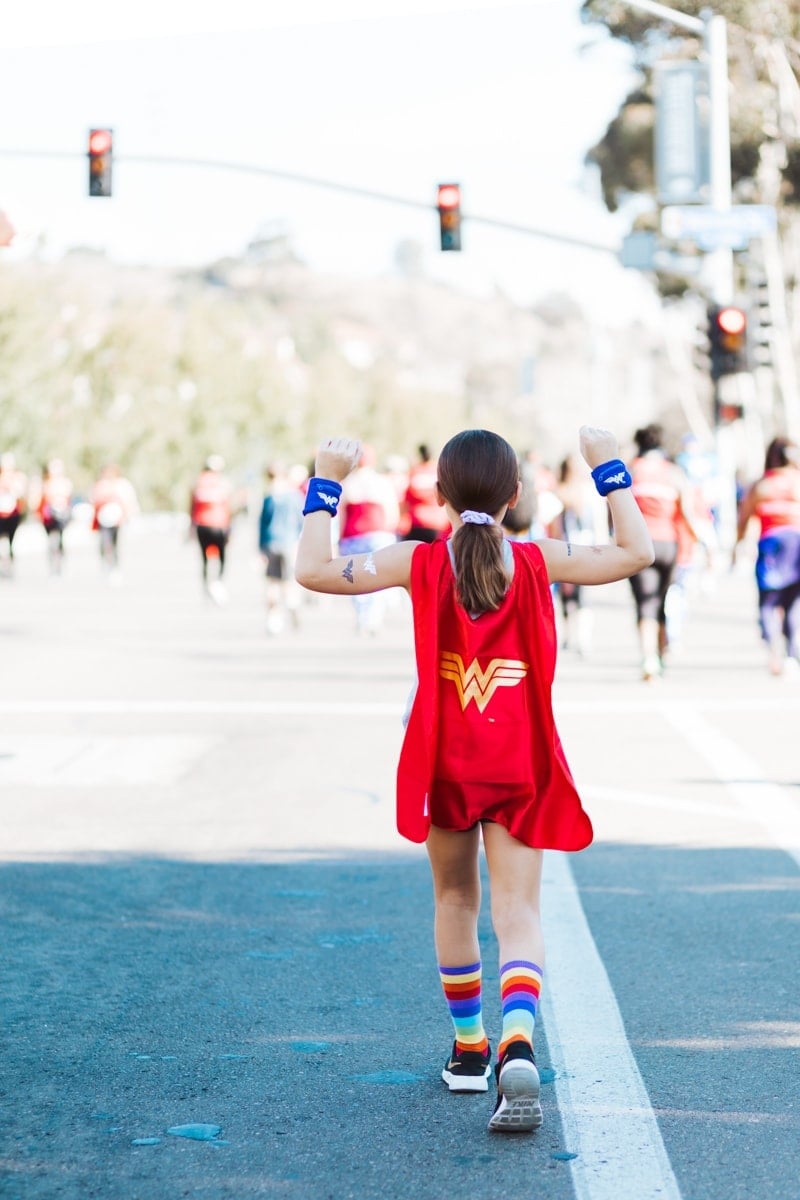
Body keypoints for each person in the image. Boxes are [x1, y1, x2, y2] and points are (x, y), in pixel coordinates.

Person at [295, 425, 653, 1134]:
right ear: (517, 495)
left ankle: (469, 1052)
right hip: (517, 759)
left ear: (438, 495)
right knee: (518, 913)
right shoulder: (537, 557)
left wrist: (326, 481)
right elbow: (637, 551)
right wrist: (608, 468)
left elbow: (313, 569)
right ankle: (518, 1034)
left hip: (444, 761)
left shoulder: (417, 561)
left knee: (455, 900)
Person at [628, 423, 706, 680]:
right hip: (669, 545)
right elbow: (687, 513)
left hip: (639, 545)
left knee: (644, 603)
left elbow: (616, 511)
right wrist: (702, 542)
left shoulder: (631, 470)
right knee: (661, 600)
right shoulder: (674, 473)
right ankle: (661, 654)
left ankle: (649, 658)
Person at [733, 436, 800, 676]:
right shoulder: (796, 481)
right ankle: (791, 655)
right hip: (797, 543)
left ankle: (774, 652)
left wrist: (736, 546)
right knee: (793, 602)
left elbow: (744, 519)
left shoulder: (761, 485)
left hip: (772, 545)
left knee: (769, 602)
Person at [336, 444, 400, 634]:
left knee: (354, 577)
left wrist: (339, 539)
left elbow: (341, 516)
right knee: (377, 577)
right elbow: (392, 512)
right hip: (378, 534)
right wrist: (390, 533)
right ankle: (373, 618)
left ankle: (363, 617)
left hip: (353, 535)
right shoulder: (382, 482)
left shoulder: (347, 484)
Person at [258, 462, 305, 634]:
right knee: (288, 582)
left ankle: (273, 619)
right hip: (289, 543)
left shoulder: (269, 497)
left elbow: (262, 525)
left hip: (271, 543)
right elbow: (301, 521)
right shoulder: (294, 496)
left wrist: (259, 549)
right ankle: (293, 606)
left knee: (272, 582)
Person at [190, 455, 234, 604]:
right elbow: (228, 506)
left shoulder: (198, 482)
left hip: (202, 525)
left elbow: (192, 505)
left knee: (204, 559)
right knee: (222, 557)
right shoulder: (222, 482)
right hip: (218, 524)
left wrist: (191, 525)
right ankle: (217, 584)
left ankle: (206, 588)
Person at [91, 464, 139, 578]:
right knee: (104, 542)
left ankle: (115, 566)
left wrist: (130, 516)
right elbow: (94, 500)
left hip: (117, 520)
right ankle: (105, 563)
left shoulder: (122, 485)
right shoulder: (101, 485)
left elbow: (129, 501)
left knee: (115, 543)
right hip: (103, 520)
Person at [402, 444, 450, 543]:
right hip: (438, 523)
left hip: (417, 523)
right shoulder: (439, 471)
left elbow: (406, 500)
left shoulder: (414, 472)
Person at [36, 458, 74, 575]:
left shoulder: (65, 483)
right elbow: (40, 500)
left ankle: (61, 563)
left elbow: (68, 499)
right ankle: (52, 564)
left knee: (60, 539)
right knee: (51, 540)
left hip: (62, 514)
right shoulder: (46, 484)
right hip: (49, 516)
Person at [0, 452, 28, 576]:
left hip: (13, 514)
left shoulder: (17, 478)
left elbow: (21, 494)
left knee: (11, 542)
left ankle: (9, 566)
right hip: (1, 514)